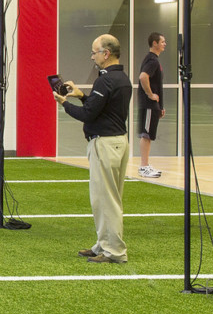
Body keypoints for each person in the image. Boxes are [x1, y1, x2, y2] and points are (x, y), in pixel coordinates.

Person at [55, 34, 133, 265]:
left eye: (95, 52)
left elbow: (88, 114)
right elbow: (99, 108)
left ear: (106, 53)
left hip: (106, 144)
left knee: (105, 200)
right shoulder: (121, 78)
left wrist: (64, 103)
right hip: (118, 142)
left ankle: (114, 251)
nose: (92, 56)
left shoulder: (106, 80)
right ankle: (103, 244)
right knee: (108, 198)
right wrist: (80, 95)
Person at [137, 32, 167, 178]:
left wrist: (160, 106)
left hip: (153, 105)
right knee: (146, 134)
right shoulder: (152, 60)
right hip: (148, 104)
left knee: (148, 134)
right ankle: (143, 167)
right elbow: (143, 77)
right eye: (162, 41)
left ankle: (146, 165)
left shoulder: (154, 60)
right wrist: (150, 95)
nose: (164, 44)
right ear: (154, 43)